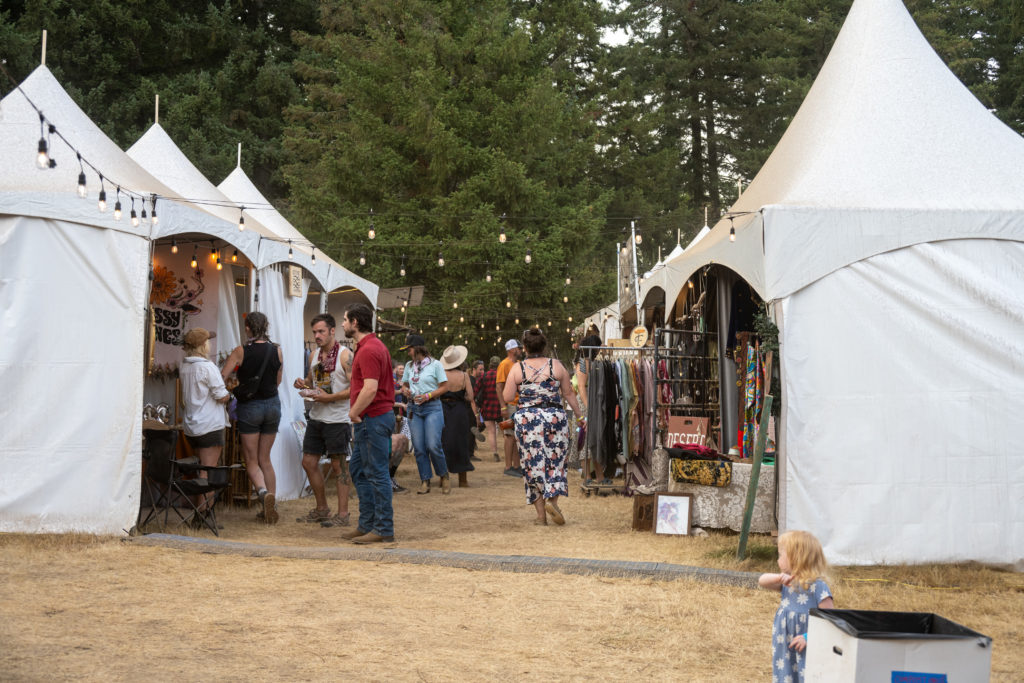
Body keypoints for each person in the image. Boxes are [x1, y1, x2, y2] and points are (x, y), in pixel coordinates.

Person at [502, 329, 584, 526]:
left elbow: (506, 396)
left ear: (525, 348)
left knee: (531, 465)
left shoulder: (517, 368)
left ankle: (541, 516)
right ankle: (552, 502)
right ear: (544, 346)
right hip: (554, 418)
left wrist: (526, 393)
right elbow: (569, 393)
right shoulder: (556, 366)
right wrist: (581, 416)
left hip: (528, 420)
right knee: (556, 463)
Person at [340, 303, 396, 544]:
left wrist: (354, 411)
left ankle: (383, 528)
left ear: (355, 322)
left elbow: (370, 388)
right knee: (360, 470)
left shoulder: (369, 349)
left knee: (377, 472)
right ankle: (368, 524)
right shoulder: (369, 347)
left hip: (372, 418)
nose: (342, 323)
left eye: (345, 319)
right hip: (370, 418)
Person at [292, 313, 352, 527]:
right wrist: (303, 384)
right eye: (315, 332)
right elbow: (311, 381)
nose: (317, 336)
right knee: (308, 462)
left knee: (339, 467)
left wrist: (330, 397)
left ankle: (343, 514)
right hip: (317, 416)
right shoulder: (314, 355)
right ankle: (322, 509)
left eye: (321, 332)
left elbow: (356, 388)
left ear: (332, 331)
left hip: (338, 419)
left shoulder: (345, 355)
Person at [221, 311, 281, 524]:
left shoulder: (240, 351)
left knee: (251, 461)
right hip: (273, 405)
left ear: (247, 328)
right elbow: (278, 381)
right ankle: (271, 506)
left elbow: (221, 377)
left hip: (250, 407)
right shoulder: (277, 351)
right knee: (266, 459)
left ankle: (264, 494)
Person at [758, 530, 835, 682]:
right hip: (785, 644)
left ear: (796, 558)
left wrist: (808, 637)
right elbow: (762, 581)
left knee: (806, 675)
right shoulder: (787, 583)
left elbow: (830, 620)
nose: (778, 560)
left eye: (781, 555)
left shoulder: (818, 587)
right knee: (785, 673)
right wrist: (778, 578)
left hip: (807, 646)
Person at [179, 327, 230, 515]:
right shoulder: (207, 367)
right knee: (208, 471)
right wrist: (231, 396)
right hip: (209, 425)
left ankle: (201, 511)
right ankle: (203, 513)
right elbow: (221, 395)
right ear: (202, 345)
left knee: (202, 468)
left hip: (193, 425)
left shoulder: (185, 365)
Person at [399, 334, 451, 494]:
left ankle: (444, 475)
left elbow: (444, 387)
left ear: (417, 349)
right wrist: (405, 390)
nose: (408, 352)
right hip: (414, 409)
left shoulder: (435, 365)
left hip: (432, 407)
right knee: (419, 448)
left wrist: (428, 395)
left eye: (409, 349)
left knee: (433, 445)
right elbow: (405, 384)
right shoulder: (409, 366)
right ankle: (425, 480)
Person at [439, 345, 477, 488]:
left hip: (443, 410)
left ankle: (443, 478)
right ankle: (463, 480)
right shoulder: (464, 375)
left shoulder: (441, 374)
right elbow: (470, 396)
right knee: (461, 442)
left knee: (444, 442)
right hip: (460, 411)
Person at [496, 339, 522, 476]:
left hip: (518, 404)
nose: (521, 350)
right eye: (519, 348)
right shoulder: (504, 364)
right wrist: (503, 406)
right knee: (509, 436)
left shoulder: (518, 364)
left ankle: (516, 465)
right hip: (509, 405)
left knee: (517, 436)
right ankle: (508, 467)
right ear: (512, 349)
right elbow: (499, 387)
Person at [477, 356, 502, 461]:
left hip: (487, 407)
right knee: (505, 432)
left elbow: (475, 390)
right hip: (501, 407)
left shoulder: (484, 375)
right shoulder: (502, 375)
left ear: (490, 364)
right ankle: (509, 451)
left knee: (491, 432)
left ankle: (495, 452)